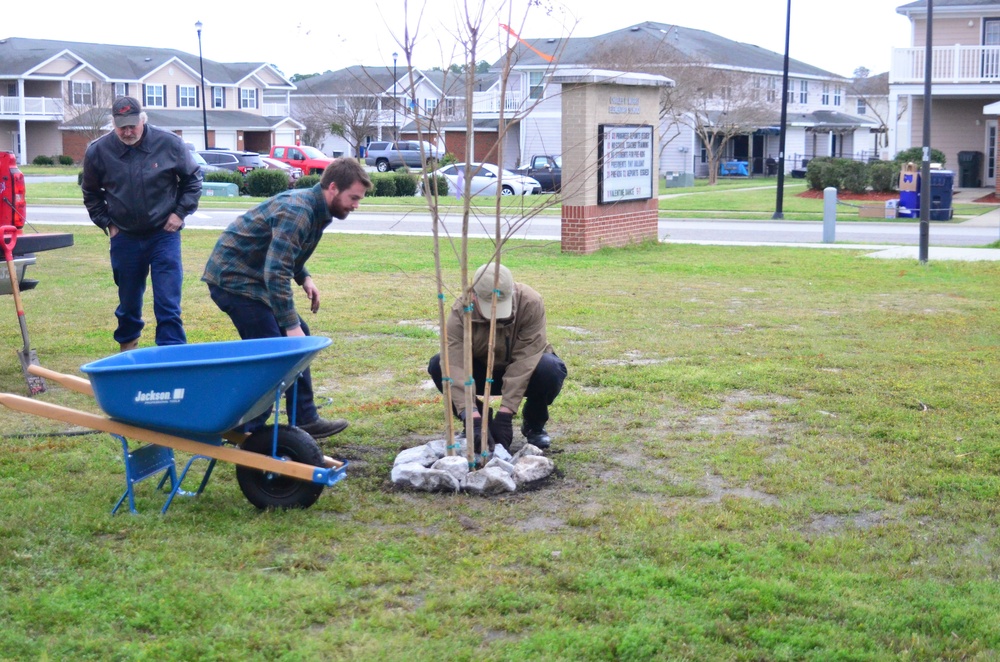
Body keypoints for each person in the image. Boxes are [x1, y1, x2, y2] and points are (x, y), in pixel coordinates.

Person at [202, 158, 372, 440]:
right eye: (353, 197)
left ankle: (304, 419)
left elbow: (283, 251)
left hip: (253, 278)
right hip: (234, 280)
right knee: (275, 353)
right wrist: (289, 323)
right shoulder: (299, 210)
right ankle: (248, 430)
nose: (356, 205)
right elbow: (276, 270)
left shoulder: (316, 208)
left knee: (296, 341)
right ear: (332, 187)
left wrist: (304, 277)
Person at [81, 96, 203, 351]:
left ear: (143, 120)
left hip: (164, 235)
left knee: (168, 301)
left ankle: (171, 356)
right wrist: (107, 223)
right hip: (124, 236)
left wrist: (179, 213)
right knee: (128, 301)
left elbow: (192, 180)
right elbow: (91, 193)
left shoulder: (169, 143)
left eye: (132, 126)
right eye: (121, 126)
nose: (127, 132)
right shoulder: (98, 151)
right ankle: (128, 351)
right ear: (113, 124)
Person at [427, 263, 567, 450]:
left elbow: (526, 360)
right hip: (480, 371)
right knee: (439, 365)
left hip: (521, 371)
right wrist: (473, 417)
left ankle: (534, 425)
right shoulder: (461, 310)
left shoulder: (530, 302)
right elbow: (455, 364)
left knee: (549, 368)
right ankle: (479, 420)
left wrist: (505, 415)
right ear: (474, 295)